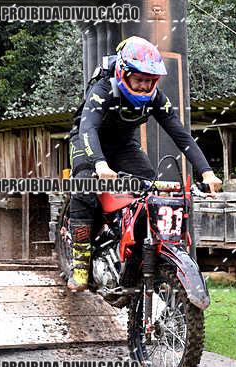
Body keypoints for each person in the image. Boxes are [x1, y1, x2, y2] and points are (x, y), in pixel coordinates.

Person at [66, 36, 223, 291]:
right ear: (123, 73)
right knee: (84, 186)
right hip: (88, 140)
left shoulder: (156, 98)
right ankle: (81, 262)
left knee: (149, 188)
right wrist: (100, 164)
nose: (143, 86)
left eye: (149, 81)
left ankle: (135, 253)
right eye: (138, 80)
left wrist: (206, 172)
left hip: (124, 145)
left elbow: (181, 136)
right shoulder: (104, 89)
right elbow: (88, 128)